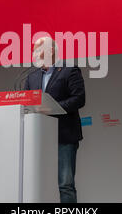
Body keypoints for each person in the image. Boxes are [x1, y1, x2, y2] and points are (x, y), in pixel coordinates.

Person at [24, 37, 85, 203]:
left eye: (37, 49)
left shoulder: (69, 70)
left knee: (65, 184)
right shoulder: (31, 77)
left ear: (50, 51)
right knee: (36, 182)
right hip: (38, 138)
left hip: (63, 136)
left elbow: (79, 99)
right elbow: (26, 103)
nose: (33, 53)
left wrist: (52, 108)